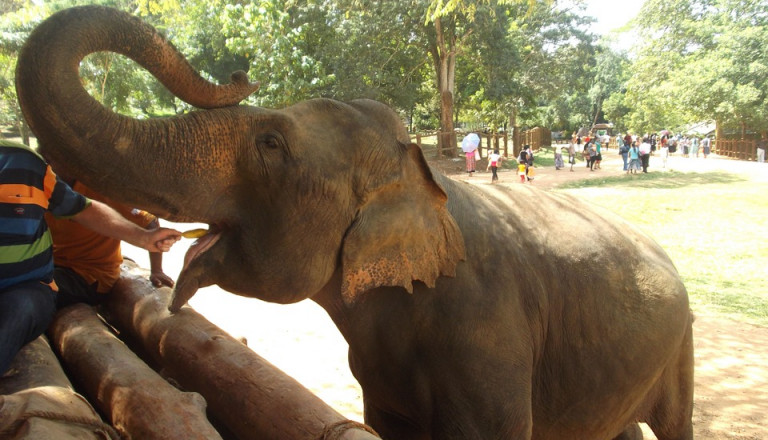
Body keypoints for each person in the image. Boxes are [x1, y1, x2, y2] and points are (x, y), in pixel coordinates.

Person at [0, 140, 181, 376]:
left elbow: (146, 221)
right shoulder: (50, 184)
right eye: (45, 154)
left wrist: (153, 263)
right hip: (58, 264)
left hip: (86, 275)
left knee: (21, 306)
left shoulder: (93, 187)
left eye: (52, 157)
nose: (47, 160)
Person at [46, 177, 175, 309]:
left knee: (34, 286)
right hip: (54, 264)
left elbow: (149, 222)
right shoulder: (45, 183)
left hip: (90, 276)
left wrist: (157, 270)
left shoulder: (100, 187)